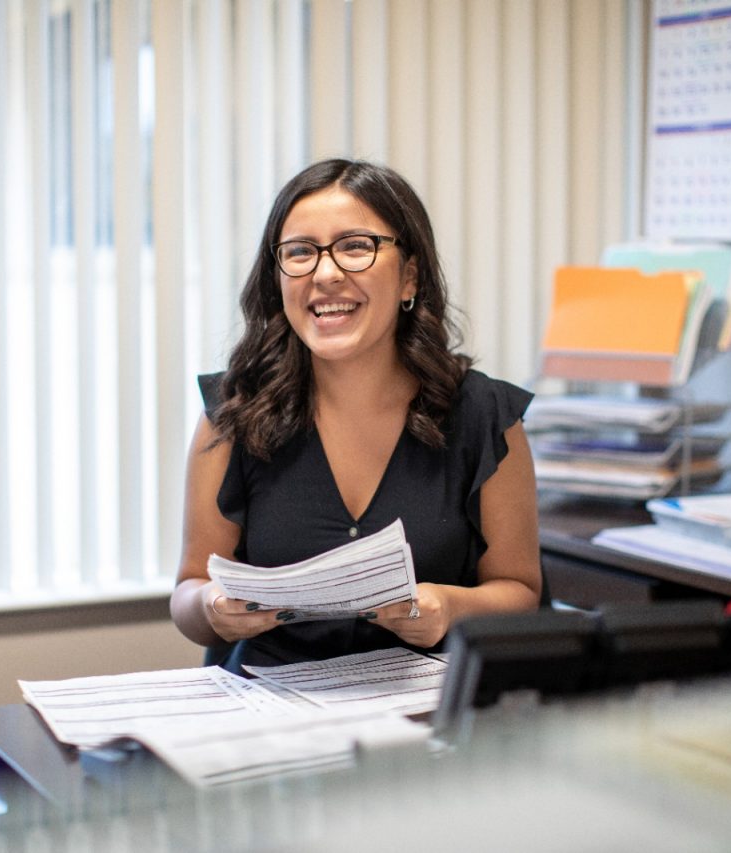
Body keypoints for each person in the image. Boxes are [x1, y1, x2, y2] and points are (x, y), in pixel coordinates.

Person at [171, 158, 541, 672]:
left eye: (355, 247)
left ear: (409, 276)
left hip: (423, 716)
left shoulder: (484, 415)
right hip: (267, 710)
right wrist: (212, 607)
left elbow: (520, 590)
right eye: (300, 252)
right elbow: (188, 593)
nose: (325, 274)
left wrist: (448, 607)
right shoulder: (231, 413)